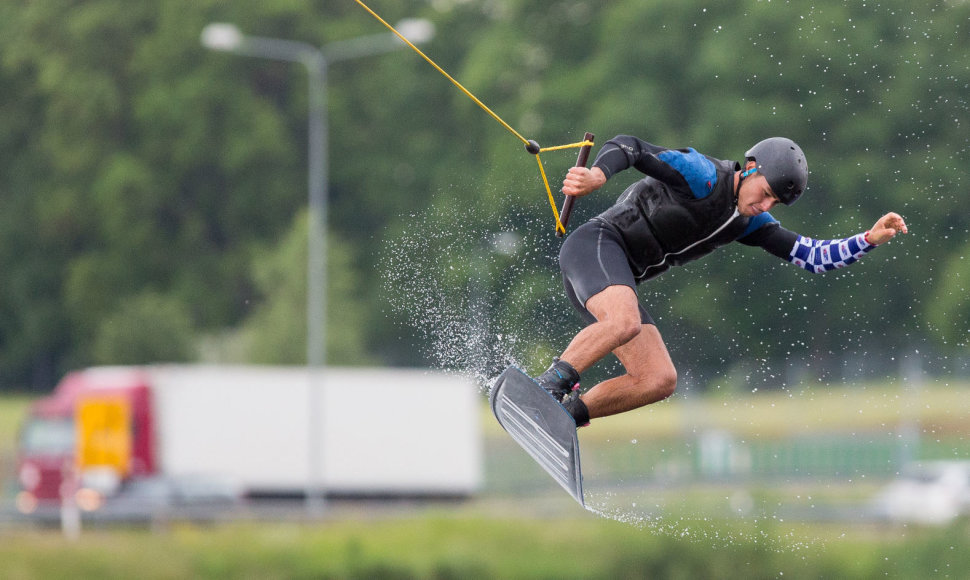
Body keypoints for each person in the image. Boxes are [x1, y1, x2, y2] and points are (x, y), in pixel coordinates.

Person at [534, 134, 909, 427]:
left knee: (659, 379)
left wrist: (868, 239)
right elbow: (630, 146)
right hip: (594, 248)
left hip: (618, 283)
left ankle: (567, 415)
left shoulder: (749, 222)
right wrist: (598, 175)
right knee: (625, 320)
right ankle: (546, 388)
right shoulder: (701, 175)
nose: (764, 206)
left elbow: (814, 257)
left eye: (774, 203)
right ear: (749, 168)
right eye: (765, 193)